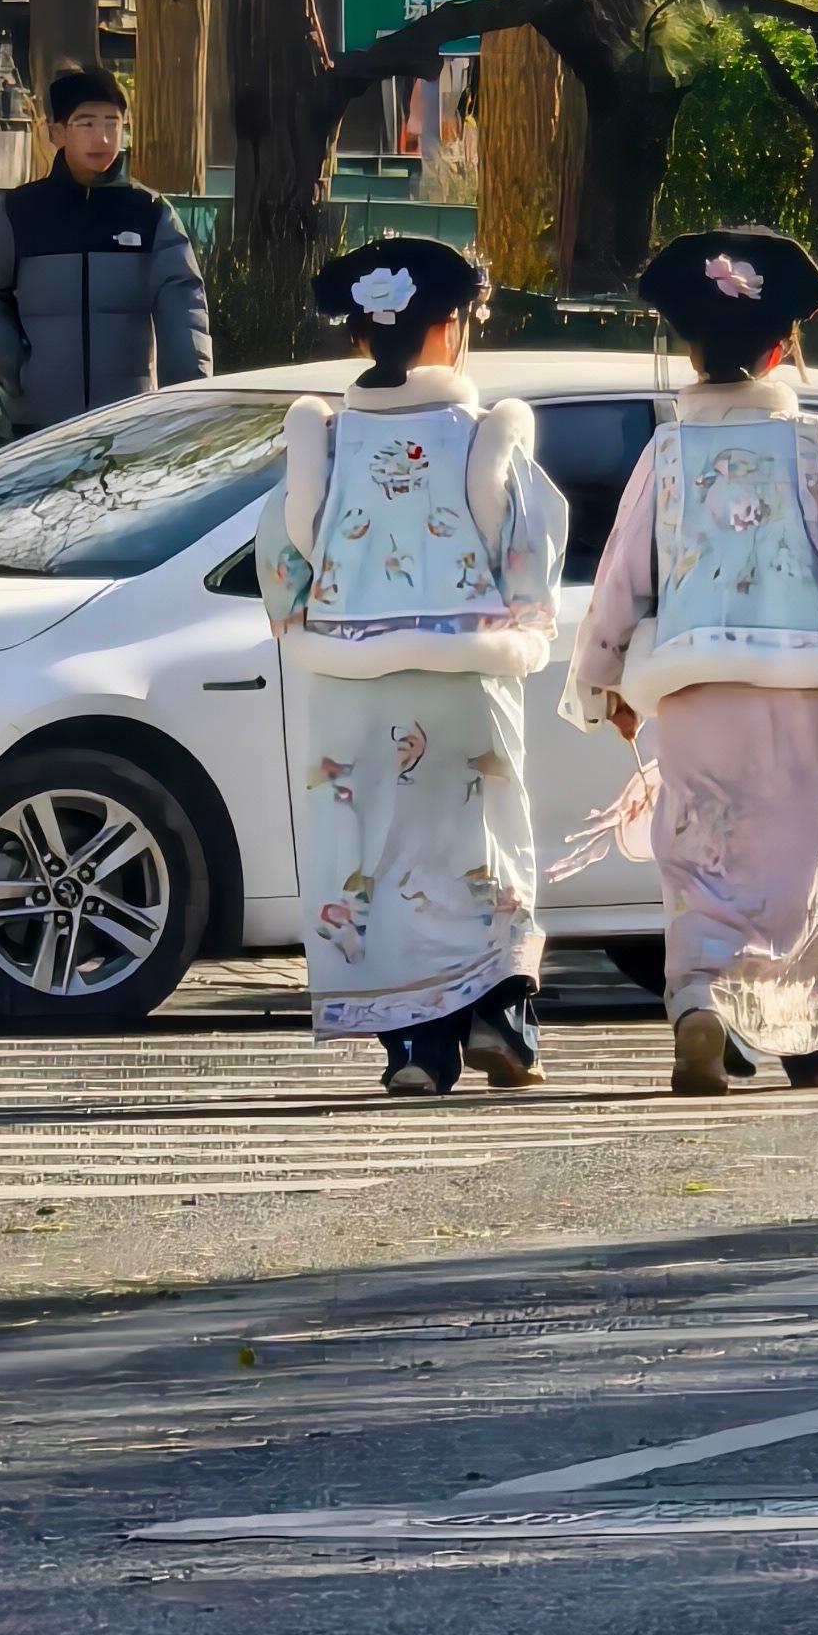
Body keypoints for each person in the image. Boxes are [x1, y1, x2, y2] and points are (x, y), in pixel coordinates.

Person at [563, 225, 818, 1098]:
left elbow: (622, 577)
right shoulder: (812, 451)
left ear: (690, 352)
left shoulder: (666, 455)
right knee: (809, 863)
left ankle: (700, 1003)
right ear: (782, 350)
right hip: (807, 695)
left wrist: (602, 683)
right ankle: (809, 1038)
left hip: (696, 697)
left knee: (701, 858)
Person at [256, 235, 570, 1098]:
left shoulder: (323, 444)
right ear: (450, 329)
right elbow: (530, 541)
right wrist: (526, 624)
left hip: (351, 688)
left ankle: (413, 1048)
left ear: (362, 338)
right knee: (482, 839)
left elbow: (280, 560)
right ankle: (504, 1013)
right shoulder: (486, 437)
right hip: (468, 673)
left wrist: (309, 628)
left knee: (373, 850)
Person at [0, 62, 210, 431]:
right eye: (87, 123)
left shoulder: (150, 212)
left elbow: (184, 303)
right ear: (56, 133)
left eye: (113, 123)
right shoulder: (21, 212)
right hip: (40, 427)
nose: (103, 137)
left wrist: (189, 401)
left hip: (129, 423)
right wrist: (13, 372)